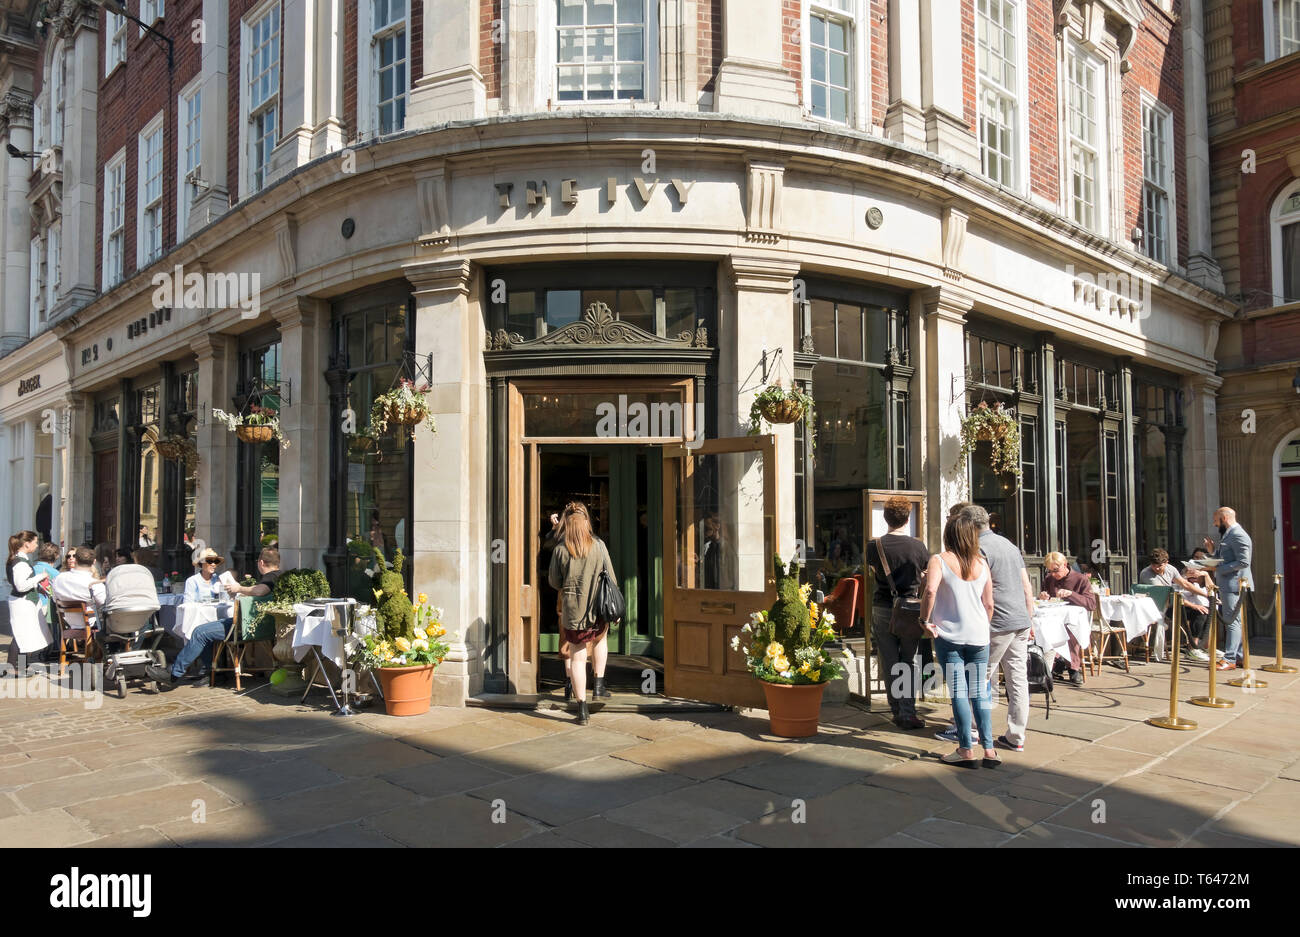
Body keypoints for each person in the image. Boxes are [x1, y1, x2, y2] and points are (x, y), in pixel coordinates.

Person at [919, 513, 997, 768]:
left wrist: (924, 620)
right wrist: (982, 625)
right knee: (979, 692)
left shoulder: (939, 560)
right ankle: (990, 750)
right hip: (979, 636)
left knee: (959, 693)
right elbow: (989, 603)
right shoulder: (982, 563)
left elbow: (930, 591)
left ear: (948, 535)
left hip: (949, 635)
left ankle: (965, 749)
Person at [148, 547, 282, 687]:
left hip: (246, 627)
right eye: (209, 561)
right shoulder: (280, 576)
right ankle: (213, 673)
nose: (213, 564)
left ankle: (173, 675)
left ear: (261, 563)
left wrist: (239, 588)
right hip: (261, 627)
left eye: (215, 561)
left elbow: (260, 591)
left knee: (200, 632)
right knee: (203, 630)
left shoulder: (270, 577)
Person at [964, 505, 1036, 752]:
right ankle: (1016, 736)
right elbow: (1026, 585)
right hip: (1020, 619)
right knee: (1018, 679)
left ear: (970, 526)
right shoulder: (1009, 545)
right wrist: (1030, 617)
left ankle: (971, 729)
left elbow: (976, 589)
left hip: (996, 621)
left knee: (978, 676)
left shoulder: (978, 549)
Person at [547, 502, 619, 725]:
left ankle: (582, 710)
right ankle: (598, 686)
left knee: (577, 658)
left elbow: (554, 581)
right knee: (601, 640)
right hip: (598, 609)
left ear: (568, 525)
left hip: (573, 611)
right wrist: (615, 608)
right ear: (586, 523)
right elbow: (611, 577)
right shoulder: (599, 546)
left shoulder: (560, 550)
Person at [864, 495, 930, 730]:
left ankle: (896, 709)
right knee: (909, 660)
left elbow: (874, 572)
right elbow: (925, 576)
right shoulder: (918, 546)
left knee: (889, 659)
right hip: (910, 608)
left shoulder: (874, 546)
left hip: (883, 606)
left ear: (885, 518)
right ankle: (908, 712)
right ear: (908, 518)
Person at [1203, 506, 1254, 671]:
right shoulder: (1229, 534)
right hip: (1228, 584)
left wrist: (1217, 569)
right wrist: (1212, 552)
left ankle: (1229, 658)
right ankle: (1239, 656)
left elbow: (1243, 562)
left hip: (1234, 584)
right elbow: (1225, 558)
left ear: (1224, 518)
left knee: (1232, 621)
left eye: (1216, 520)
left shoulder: (1238, 534)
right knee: (1235, 621)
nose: (1214, 524)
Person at [1139, 548, 1210, 661]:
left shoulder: (1171, 569)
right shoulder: (1147, 574)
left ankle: (1194, 647)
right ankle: (1193, 649)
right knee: (1197, 609)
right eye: (1153, 565)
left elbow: (1185, 584)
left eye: (1159, 566)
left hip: (1170, 604)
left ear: (1166, 562)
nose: (1156, 568)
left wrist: (1206, 595)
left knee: (1203, 611)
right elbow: (1168, 595)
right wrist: (1193, 605)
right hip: (1157, 607)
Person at [1040, 551, 1097, 685]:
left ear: (1065, 564)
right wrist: (1043, 597)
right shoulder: (1049, 579)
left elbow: (1091, 604)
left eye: (1055, 570)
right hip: (1053, 619)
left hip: (1074, 621)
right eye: (1050, 571)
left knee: (1070, 630)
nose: (1053, 574)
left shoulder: (1080, 579)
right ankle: (1053, 664)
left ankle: (1073, 668)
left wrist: (1071, 594)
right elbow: (1045, 599)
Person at [5, 531, 52, 667]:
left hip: (23, 601)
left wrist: (37, 587)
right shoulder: (20, 563)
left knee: (25, 635)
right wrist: (40, 577)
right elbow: (21, 586)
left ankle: (20, 667)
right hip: (22, 602)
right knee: (21, 636)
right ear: (26, 544)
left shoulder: (19, 560)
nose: (37, 545)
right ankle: (12, 667)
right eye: (35, 542)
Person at [53, 546, 98, 634]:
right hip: (76, 621)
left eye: (74, 556)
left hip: (75, 621)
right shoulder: (60, 577)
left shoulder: (91, 578)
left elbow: (55, 599)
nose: (71, 558)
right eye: (68, 556)